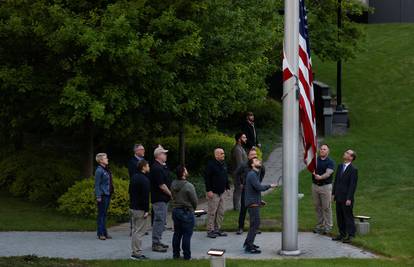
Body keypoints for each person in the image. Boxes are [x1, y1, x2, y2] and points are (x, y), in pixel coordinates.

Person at [243, 158, 276, 253]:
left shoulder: (254, 174)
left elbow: (252, 190)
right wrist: (270, 186)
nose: (259, 162)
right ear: (252, 165)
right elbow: (259, 187)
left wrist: (259, 200)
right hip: (252, 204)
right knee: (255, 224)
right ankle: (249, 246)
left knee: (254, 224)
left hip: (254, 202)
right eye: (256, 161)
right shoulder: (252, 174)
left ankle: (248, 243)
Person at [236, 148, 266, 235]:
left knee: (255, 210)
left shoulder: (259, 165)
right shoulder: (243, 165)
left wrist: (258, 182)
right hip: (246, 190)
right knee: (243, 209)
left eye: (255, 154)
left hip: (256, 191)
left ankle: (255, 228)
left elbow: (263, 172)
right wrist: (240, 184)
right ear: (248, 156)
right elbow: (237, 174)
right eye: (252, 154)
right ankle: (240, 227)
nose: (254, 156)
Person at [171, 165, 198, 260]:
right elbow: (194, 200)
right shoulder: (188, 186)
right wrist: (193, 209)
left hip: (176, 210)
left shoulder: (173, 184)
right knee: (187, 234)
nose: (187, 171)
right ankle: (187, 256)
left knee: (177, 233)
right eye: (185, 170)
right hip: (186, 211)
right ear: (183, 173)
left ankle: (176, 254)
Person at [332, 149, 358, 243]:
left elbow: (352, 185)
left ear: (351, 157)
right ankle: (342, 234)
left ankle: (351, 235)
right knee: (339, 216)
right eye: (345, 152)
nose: (345, 153)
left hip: (347, 198)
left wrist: (349, 198)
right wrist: (333, 193)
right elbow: (336, 181)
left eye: (347, 153)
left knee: (348, 216)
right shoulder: (340, 166)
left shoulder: (353, 169)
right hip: (338, 196)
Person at [149, 145, 172, 252]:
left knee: (162, 221)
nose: (165, 155)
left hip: (164, 198)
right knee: (159, 220)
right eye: (164, 153)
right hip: (159, 198)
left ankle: (158, 240)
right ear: (158, 155)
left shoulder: (162, 166)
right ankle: (155, 243)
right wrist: (171, 194)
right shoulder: (156, 168)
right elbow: (161, 185)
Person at [204, 148, 230, 238]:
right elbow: (207, 178)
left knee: (221, 212)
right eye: (222, 153)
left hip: (222, 191)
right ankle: (210, 230)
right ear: (216, 155)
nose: (224, 155)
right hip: (213, 192)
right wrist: (208, 190)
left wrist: (227, 187)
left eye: (223, 153)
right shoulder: (211, 165)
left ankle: (217, 229)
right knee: (212, 212)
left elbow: (225, 176)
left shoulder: (223, 164)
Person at [312, 144, 335, 235]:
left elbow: (329, 173)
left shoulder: (330, 162)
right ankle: (320, 225)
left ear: (328, 151)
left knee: (326, 207)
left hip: (325, 186)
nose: (322, 150)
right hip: (315, 186)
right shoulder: (315, 160)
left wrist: (320, 177)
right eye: (321, 149)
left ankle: (328, 226)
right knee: (317, 207)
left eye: (324, 149)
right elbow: (310, 166)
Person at [129, 160, 150, 260]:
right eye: (147, 166)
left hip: (133, 207)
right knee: (140, 231)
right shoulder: (144, 180)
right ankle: (137, 253)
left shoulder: (133, 177)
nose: (148, 167)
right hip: (140, 209)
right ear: (143, 167)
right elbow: (145, 196)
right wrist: (146, 210)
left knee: (134, 230)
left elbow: (130, 192)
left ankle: (134, 251)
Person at [94, 153, 114, 240]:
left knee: (104, 214)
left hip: (107, 194)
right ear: (101, 160)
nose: (107, 159)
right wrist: (98, 196)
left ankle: (105, 232)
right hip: (102, 195)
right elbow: (97, 185)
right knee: (101, 215)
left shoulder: (106, 169)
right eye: (106, 158)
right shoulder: (99, 170)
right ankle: (100, 233)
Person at [230, 133, 248, 211]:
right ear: (239, 139)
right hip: (238, 174)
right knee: (238, 190)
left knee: (240, 190)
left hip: (242, 173)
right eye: (244, 137)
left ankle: (239, 206)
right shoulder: (237, 149)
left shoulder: (240, 148)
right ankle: (236, 207)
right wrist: (241, 176)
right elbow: (239, 164)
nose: (246, 139)